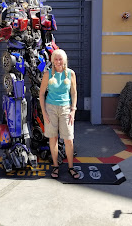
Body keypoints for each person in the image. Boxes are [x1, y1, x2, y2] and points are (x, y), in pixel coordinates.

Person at [39, 49, 80, 179]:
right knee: (53, 138)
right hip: (51, 108)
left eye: (60, 59)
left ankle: (71, 167)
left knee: (68, 139)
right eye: (55, 59)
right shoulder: (48, 74)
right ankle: (55, 166)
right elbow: (41, 94)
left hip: (66, 109)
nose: (58, 62)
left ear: (65, 60)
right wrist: (44, 112)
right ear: (52, 61)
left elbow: (73, 93)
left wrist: (73, 110)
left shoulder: (70, 74)